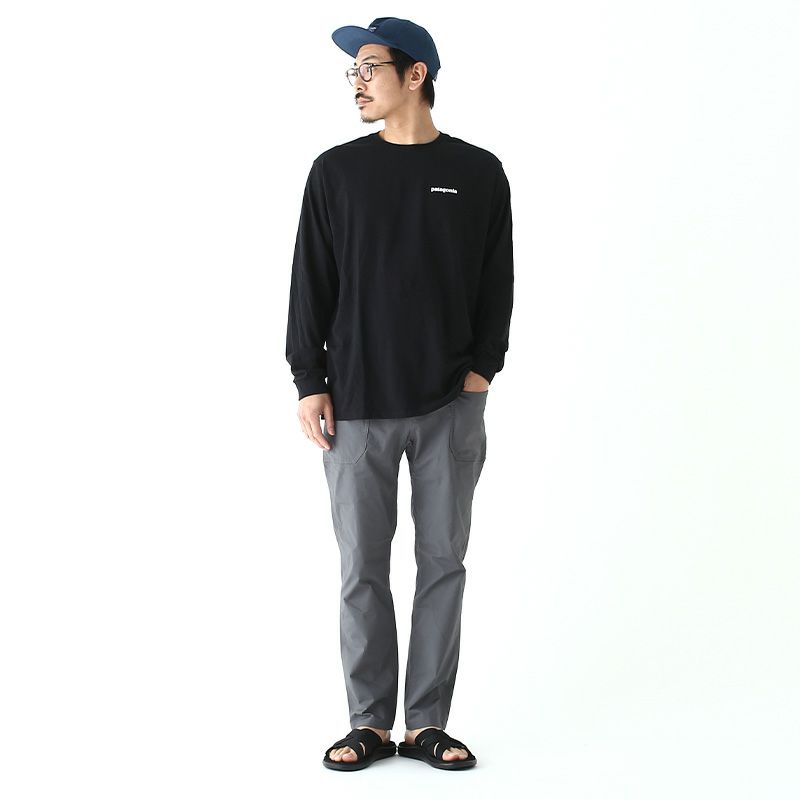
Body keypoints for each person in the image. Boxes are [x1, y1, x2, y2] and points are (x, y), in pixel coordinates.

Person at [285, 17, 514, 772]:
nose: (356, 82)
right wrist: (310, 381)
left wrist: (482, 371)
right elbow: (310, 283)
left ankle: (426, 725)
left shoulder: (478, 172)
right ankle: (368, 723)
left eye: (369, 67)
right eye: (351, 70)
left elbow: (497, 282)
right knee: (362, 570)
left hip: (451, 402)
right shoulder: (336, 172)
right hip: (355, 403)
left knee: (443, 563)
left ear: (416, 75)